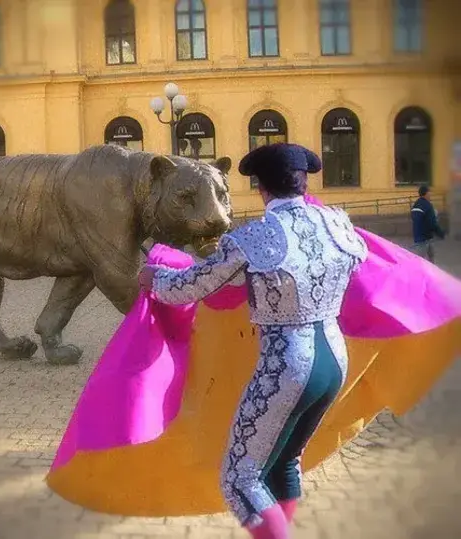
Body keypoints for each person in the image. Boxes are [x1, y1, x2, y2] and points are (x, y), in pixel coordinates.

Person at [138, 143, 368, 539]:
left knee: (240, 478)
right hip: (334, 358)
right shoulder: (336, 223)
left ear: (260, 187)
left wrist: (155, 279)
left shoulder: (256, 238)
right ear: (304, 182)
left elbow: (190, 286)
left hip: (287, 366)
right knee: (285, 462)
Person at [411, 184, 445, 263]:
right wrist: (440, 233)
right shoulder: (428, 206)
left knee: (421, 260)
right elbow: (432, 223)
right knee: (429, 259)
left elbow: (415, 219)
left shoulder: (415, 204)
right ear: (426, 193)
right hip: (426, 238)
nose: (430, 194)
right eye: (429, 192)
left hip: (418, 237)